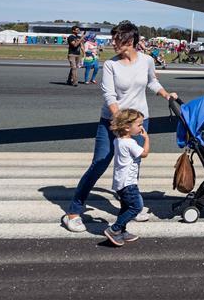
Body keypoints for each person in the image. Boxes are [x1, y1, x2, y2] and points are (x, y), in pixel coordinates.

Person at [62, 21, 178, 233]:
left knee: (132, 165)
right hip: (113, 121)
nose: (113, 43)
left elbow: (152, 82)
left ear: (130, 41)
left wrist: (166, 94)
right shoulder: (111, 64)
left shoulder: (147, 60)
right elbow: (109, 95)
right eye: (113, 39)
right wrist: (120, 120)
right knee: (99, 163)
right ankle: (73, 211)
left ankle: (130, 205)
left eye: (117, 39)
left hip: (139, 122)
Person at [104, 108, 150, 246]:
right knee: (136, 207)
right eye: (139, 125)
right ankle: (114, 229)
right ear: (127, 127)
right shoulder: (130, 143)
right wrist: (146, 139)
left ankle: (122, 231)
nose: (141, 128)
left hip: (120, 182)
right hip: (128, 183)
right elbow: (144, 153)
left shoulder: (118, 140)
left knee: (125, 208)